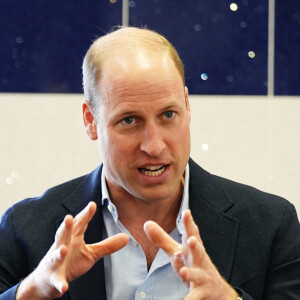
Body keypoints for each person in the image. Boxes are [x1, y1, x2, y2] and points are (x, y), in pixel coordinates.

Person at [0, 27, 300, 300]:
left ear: (187, 105)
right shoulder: (24, 229)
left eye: (168, 115)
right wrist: (33, 290)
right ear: (90, 121)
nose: (154, 146)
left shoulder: (272, 225)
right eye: (129, 120)